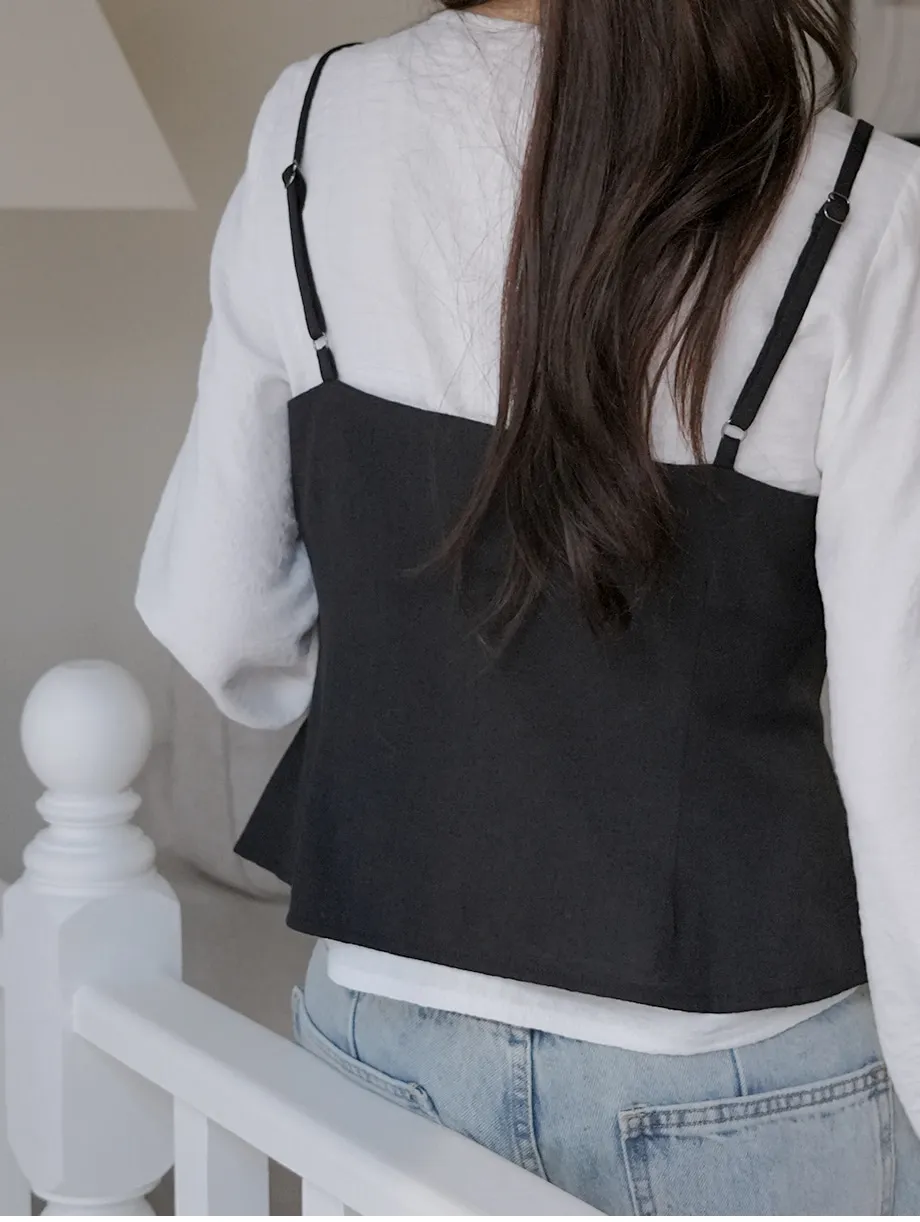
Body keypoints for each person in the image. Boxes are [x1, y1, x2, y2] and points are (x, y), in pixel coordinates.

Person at [136, 0, 920, 1212]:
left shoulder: (310, 121)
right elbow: (899, 739)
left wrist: (415, 670)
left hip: (382, 1037)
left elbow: (218, 616)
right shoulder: (864, 200)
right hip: (737, 1073)